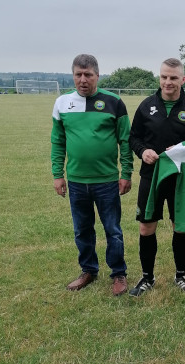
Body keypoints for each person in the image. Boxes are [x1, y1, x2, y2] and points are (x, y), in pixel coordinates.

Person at [128, 58, 185, 297]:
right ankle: (147, 277)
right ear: (160, 78)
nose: (168, 82)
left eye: (174, 77)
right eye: (164, 76)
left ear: (182, 79)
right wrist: (142, 151)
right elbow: (134, 137)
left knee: (180, 226)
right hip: (151, 176)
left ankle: (181, 275)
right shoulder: (146, 106)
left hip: (181, 179)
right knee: (146, 227)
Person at [51, 54, 133, 296]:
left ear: (97, 75)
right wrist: (58, 174)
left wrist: (126, 172)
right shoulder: (62, 103)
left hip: (107, 181)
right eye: (78, 74)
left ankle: (118, 273)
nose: (83, 79)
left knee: (113, 230)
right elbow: (58, 142)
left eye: (88, 75)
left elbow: (125, 141)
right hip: (77, 182)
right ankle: (88, 270)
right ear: (73, 75)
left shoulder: (114, 102)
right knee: (82, 230)